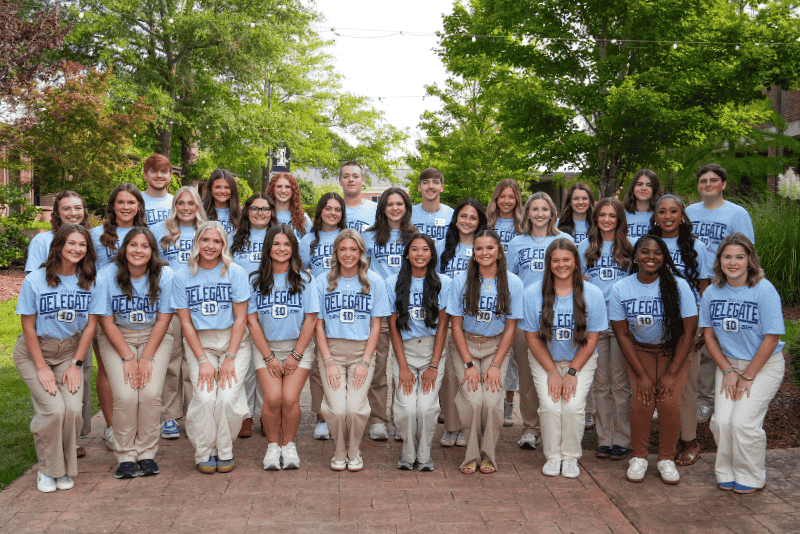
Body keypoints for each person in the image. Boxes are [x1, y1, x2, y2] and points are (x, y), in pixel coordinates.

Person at [14, 224, 100, 492]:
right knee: (53, 411)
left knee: (73, 412)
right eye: (71, 243)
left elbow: (90, 326)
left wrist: (76, 364)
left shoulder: (90, 280)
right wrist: (42, 368)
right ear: (59, 246)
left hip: (69, 353)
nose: (77, 249)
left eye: (82, 244)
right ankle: (47, 470)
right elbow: (28, 326)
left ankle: (63, 466)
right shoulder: (35, 280)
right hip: (35, 352)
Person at [609, 235, 698, 485]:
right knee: (643, 401)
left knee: (668, 402)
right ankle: (639, 457)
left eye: (657, 252)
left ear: (664, 257)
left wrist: (671, 374)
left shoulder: (679, 286)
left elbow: (688, 332)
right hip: (641, 351)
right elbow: (622, 334)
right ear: (635, 257)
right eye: (645, 252)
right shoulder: (620, 288)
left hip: (674, 351)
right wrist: (642, 375)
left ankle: (666, 459)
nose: (651, 257)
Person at [702, 234, 785, 494]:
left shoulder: (763, 290)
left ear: (750, 260)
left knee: (743, 423)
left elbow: (771, 339)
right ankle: (726, 471)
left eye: (740, 257)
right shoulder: (712, 292)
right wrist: (728, 370)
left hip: (763, 365)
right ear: (719, 260)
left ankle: (751, 475)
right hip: (728, 365)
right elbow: (708, 336)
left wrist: (747, 376)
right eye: (727, 257)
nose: (733, 262)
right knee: (722, 422)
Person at [94, 228, 174, 478]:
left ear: (152, 251)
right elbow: (106, 321)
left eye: (144, 246)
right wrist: (128, 358)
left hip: (154, 336)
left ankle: (147, 454)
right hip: (117, 335)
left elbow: (164, 320)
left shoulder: (165, 274)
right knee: (126, 396)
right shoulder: (107, 274)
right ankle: (126, 456)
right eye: (133, 245)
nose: (138, 251)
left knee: (150, 394)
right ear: (124, 248)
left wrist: (147, 358)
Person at [523, 238, 607, 478]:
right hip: (545, 358)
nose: (561, 265)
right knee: (550, 407)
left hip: (579, 359)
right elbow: (532, 338)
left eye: (566, 260)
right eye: (556, 260)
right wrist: (552, 372)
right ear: (549, 264)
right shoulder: (533, 293)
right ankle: (553, 456)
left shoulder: (593, 293)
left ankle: (570, 457)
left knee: (572, 406)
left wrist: (571, 373)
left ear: (576, 262)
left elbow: (592, 339)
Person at [172, 221, 251, 473]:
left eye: (217, 241)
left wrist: (230, 357)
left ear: (224, 245)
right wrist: (202, 360)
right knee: (205, 398)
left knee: (227, 398)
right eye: (205, 240)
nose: (210, 246)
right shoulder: (182, 276)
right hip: (200, 342)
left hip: (233, 342)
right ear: (197, 241)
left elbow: (241, 318)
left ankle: (224, 449)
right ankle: (204, 450)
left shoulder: (235, 272)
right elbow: (185, 322)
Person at [446, 229, 523, 474]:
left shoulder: (512, 282)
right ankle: (470, 455)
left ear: (499, 252)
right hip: (465, 344)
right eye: (479, 248)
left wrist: (496, 365)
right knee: (472, 401)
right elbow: (455, 326)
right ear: (473, 253)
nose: (484, 252)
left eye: (490, 248)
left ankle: (488, 454)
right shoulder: (461, 280)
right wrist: (468, 365)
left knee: (491, 402)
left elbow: (511, 328)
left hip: (495, 346)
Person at [314, 229, 390, 471]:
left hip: (361, 352)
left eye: (353, 249)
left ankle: (354, 451)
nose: (348, 254)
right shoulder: (322, 281)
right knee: (337, 410)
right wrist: (328, 362)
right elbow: (318, 325)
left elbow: (376, 326)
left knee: (355, 409)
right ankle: (339, 450)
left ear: (361, 252)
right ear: (336, 252)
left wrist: (365, 362)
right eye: (343, 249)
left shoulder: (374, 281)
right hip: (331, 351)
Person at [686, 164, 755, 424]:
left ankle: (712, 398)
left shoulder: (737, 213)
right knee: (697, 341)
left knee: (717, 339)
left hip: (723, 284)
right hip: (693, 285)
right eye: (703, 180)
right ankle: (696, 398)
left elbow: (746, 251)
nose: (708, 184)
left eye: (713, 180)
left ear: (723, 184)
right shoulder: (690, 212)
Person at [24, 191, 94, 450]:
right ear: (56, 213)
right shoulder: (42, 240)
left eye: (78, 208)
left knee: (80, 377)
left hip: (79, 323)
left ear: (84, 211)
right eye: (66, 208)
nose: (73, 213)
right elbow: (33, 282)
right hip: (49, 324)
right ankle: (50, 431)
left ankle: (73, 438)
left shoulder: (88, 239)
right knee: (48, 385)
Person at [649, 194, 713, 466]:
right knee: (661, 381)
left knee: (686, 382)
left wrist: (703, 327)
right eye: (662, 211)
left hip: (689, 320)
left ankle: (690, 440)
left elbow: (704, 289)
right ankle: (669, 438)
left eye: (673, 211)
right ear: (655, 217)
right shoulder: (649, 245)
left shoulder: (697, 247)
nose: (668, 216)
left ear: (682, 216)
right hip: (656, 320)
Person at [248, 225, 318, 470]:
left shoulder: (305, 280)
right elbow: (251, 321)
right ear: (268, 248)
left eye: (287, 244)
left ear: (294, 249)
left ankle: (288, 446)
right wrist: (268, 357)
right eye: (276, 244)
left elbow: (311, 319)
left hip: (298, 348)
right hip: (265, 348)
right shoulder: (255, 280)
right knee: (273, 398)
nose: (281, 248)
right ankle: (272, 446)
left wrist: (296, 355)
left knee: (289, 399)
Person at [386, 233, 451, 471]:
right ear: (406, 254)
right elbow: (393, 327)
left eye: (425, 249)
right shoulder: (393, 283)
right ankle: (408, 452)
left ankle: (424, 455)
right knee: (406, 408)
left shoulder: (443, 283)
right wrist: (403, 366)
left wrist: (434, 365)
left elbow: (443, 326)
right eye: (414, 249)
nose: (420, 254)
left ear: (432, 254)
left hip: (432, 350)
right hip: (404, 350)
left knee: (426, 408)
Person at [506, 192, 565, 450]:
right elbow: (509, 280)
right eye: (535, 209)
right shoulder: (516, 243)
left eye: (545, 209)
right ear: (527, 213)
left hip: (559, 316)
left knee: (557, 370)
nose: (540, 214)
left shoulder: (564, 240)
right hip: (526, 317)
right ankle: (531, 427)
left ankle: (557, 425)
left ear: (552, 213)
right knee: (528, 375)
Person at [91, 184, 148, 449]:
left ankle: (137, 426)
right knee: (106, 367)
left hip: (140, 309)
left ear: (139, 206)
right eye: (121, 202)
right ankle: (112, 426)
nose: (126, 207)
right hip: (106, 308)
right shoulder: (96, 235)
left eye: (131, 202)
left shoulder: (147, 234)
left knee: (141, 368)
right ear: (112, 205)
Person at [578, 198, 633, 461]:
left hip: (621, 319)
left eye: (612, 215)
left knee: (620, 383)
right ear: (595, 218)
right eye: (602, 215)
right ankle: (604, 438)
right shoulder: (585, 247)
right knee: (600, 383)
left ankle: (622, 438)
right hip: (595, 320)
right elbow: (577, 283)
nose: (607, 220)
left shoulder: (630, 247)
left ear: (619, 219)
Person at [151, 186, 208, 440]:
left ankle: (194, 414)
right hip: (171, 303)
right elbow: (152, 266)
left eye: (191, 203)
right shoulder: (160, 231)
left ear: (198, 206)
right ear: (174, 206)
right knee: (172, 361)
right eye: (181, 203)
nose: (186, 208)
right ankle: (169, 416)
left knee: (194, 360)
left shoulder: (206, 231)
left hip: (199, 303)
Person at [362, 187, 418, 441]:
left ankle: (401, 420)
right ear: (382, 208)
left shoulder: (415, 236)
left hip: (408, 309)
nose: (395, 208)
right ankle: (377, 420)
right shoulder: (370, 236)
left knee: (404, 367)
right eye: (390, 204)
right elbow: (363, 272)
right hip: (380, 309)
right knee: (378, 367)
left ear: (406, 208)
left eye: (399, 204)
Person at [437, 198, 487, 448]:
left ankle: (469, 426)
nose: (467, 221)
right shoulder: (442, 247)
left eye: (473, 217)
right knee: (449, 377)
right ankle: (451, 426)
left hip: (474, 320)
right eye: (463, 216)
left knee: (470, 375)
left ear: (480, 222)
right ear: (455, 218)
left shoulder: (484, 246)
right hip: (447, 318)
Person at [298, 192, 347, 440]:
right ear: (320, 211)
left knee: (342, 360)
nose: (332, 213)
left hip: (344, 305)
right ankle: (320, 417)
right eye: (328, 208)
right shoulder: (309, 240)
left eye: (337, 209)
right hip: (319, 307)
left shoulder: (348, 237)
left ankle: (342, 413)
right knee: (320, 364)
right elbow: (299, 271)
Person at [230, 193, 277, 437]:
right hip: (241, 308)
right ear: (246, 211)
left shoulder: (279, 237)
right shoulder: (233, 238)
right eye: (255, 208)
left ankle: (266, 415)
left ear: (272, 212)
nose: (260, 213)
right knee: (246, 366)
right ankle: (245, 415)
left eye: (265, 209)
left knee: (267, 365)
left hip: (270, 306)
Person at [486, 180, 525, 426]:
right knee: (493, 347)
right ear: (496, 199)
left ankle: (508, 404)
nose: (507, 201)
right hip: (490, 289)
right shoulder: (487, 225)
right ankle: (489, 399)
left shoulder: (524, 226)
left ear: (517, 199)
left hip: (515, 289)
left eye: (511, 197)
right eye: (502, 196)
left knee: (512, 355)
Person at [411, 168, 454, 247]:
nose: (430, 186)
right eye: (425, 182)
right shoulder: (409, 214)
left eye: (435, 182)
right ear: (419, 187)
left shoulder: (452, 214)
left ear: (442, 188)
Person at [267, 172, 311, 239]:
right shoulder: (264, 215)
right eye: (279, 186)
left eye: (287, 187)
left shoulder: (303, 218)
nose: (283, 190)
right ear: (273, 189)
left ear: (293, 190)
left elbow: (311, 243)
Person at [623, 169, 663, 243]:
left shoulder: (661, 215)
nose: (644, 188)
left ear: (655, 189)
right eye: (639, 184)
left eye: (649, 185)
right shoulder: (621, 214)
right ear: (633, 187)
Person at [339, 161, 377, 232]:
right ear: (340, 181)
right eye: (346, 176)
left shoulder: (376, 209)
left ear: (363, 180)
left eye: (355, 176)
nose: (351, 180)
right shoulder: (332, 210)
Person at [202, 169, 242, 234]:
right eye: (217, 187)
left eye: (227, 187)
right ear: (210, 188)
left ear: (232, 189)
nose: (222, 191)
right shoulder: (200, 211)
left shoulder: (241, 213)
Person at [141, 154, 174, 227]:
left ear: (170, 176)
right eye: (154, 171)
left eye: (164, 172)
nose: (159, 175)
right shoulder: (136, 201)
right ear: (145, 175)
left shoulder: (176, 203)